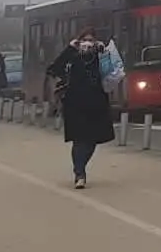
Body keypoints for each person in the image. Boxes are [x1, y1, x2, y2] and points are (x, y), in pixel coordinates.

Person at [45, 27, 115, 188]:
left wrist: (104, 52)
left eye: (91, 40)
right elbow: (54, 69)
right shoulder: (72, 57)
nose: (87, 44)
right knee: (79, 140)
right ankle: (79, 173)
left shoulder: (100, 56)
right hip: (75, 104)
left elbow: (113, 73)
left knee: (92, 141)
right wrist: (70, 49)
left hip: (96, 104)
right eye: (84, 40)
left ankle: (80, 167)